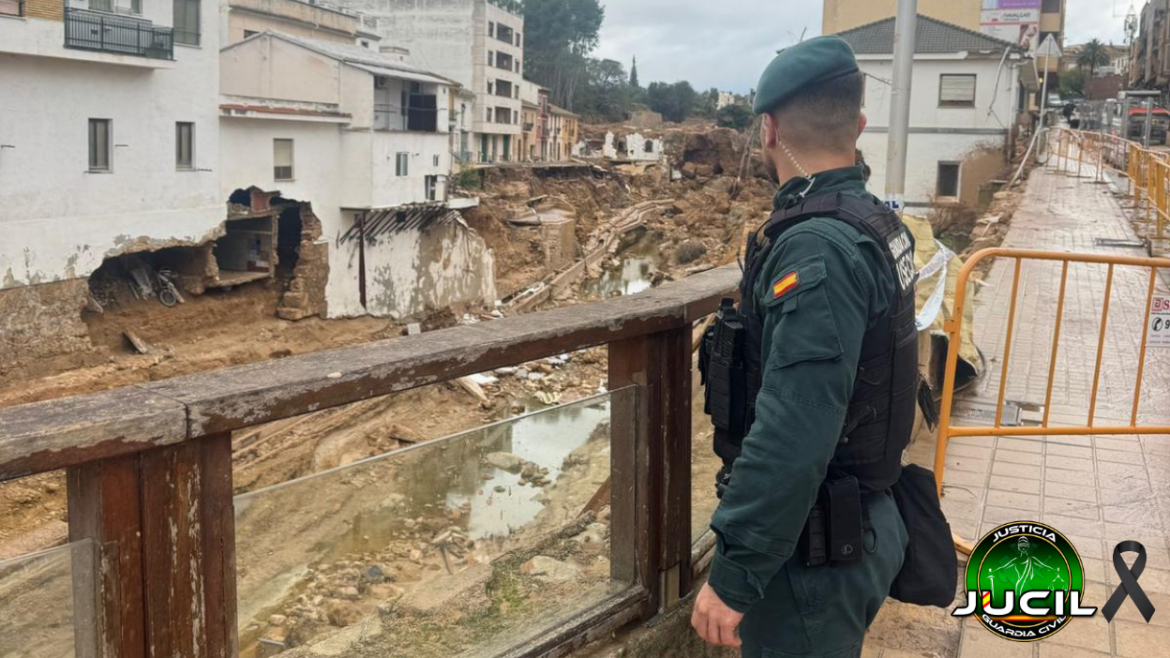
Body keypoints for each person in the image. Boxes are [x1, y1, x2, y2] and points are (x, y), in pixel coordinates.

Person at [694, 36, 918, 658]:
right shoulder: (875, 221)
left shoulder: (816, 248)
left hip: (814, 557)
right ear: (859, 126)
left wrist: (736, 572)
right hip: (858, 522)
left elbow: (795, 427)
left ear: (769, 131)